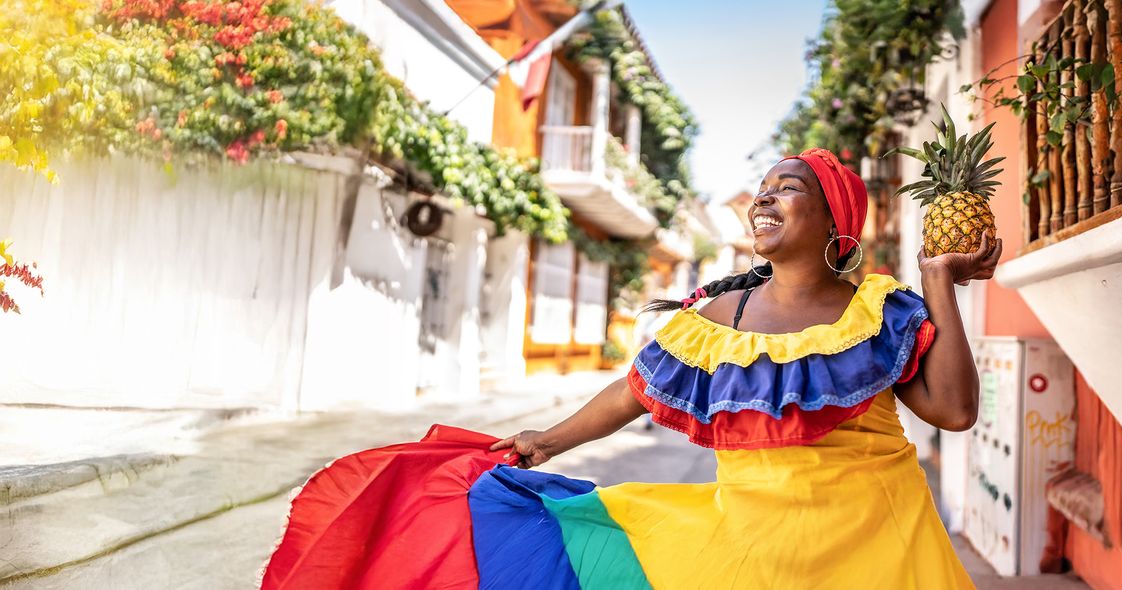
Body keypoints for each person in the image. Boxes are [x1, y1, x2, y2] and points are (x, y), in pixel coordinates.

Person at [261, 148, 1001, 590]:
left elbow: (954, 412)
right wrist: (548, 441)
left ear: (836, 219)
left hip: (880, 549)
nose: (766, 198)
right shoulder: (719, 321)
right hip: (744, 555)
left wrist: (940, 282)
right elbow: (634, 393)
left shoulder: (881, 310)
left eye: (790, 187)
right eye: (764, 189)